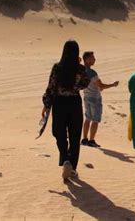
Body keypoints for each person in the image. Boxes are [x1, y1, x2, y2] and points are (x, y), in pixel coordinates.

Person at [42, 40, 90, 180]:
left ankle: (65, 158)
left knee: (59, 133)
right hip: (74, 102)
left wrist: (46, 104)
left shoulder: (57, 67)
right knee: (75, 136)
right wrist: (75, 87)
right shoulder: (80, 69)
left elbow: (51, 87)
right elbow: (85, 83)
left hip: (59, 103)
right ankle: (72, 168)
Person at [80, 51, 119, 148]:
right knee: (95, 119)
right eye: (92, 58)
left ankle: (84, 139)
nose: (94, 59)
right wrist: (113, 85)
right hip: (94, 98)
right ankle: (91, 140)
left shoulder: (81, 70)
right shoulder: (92, 72)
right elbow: (101, 85)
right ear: (87, 60)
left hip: (86, 96)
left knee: (88, 118)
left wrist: (99, 87)